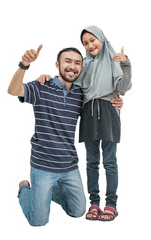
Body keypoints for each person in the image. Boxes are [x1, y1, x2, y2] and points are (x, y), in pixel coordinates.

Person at [37, 26, 132, 221]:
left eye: (92, 40)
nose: (89, 45)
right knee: (91, 162)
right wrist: (46, 77)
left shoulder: (113, 60)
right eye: (85, 43)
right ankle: (94, 203)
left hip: (108, 111)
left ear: (102, 39)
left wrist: (126, 65)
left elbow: (123, 86)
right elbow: (69, 82)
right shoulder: (84, 65)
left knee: (110, 162)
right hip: (87, 113)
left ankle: (111, 204)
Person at [7, 45, 86, 227]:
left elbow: (99, 105)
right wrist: (24, 65)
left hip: (69, 165)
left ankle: (46, 192)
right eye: (68, 61)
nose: (72, 66)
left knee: (78, 211)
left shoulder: (81, 94)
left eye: (77, 63)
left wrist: (118, 102)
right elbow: (13, 90)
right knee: (38, 222)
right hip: (42, 165)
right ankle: (25, 189)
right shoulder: (41, 87)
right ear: (57, 64)